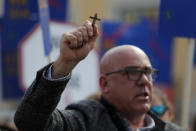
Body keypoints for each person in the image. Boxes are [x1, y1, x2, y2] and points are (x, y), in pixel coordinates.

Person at [14, 20, 186, 131]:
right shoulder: (85, 121)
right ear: (104, 84)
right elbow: (30, 122)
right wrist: (64, 63)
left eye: (147, 73)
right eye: (132, 72)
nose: (143, 81)